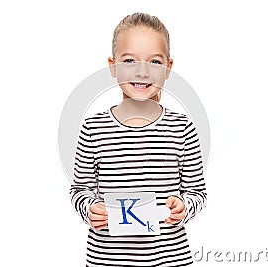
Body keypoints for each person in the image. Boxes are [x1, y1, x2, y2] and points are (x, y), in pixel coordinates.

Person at [70, 12, 207, 266]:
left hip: (169, 259)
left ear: (168, 68)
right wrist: (89, 209)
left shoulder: (182, 128)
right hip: (108, 259)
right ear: (112, 66)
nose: (142, 72)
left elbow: (197, 192)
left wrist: (184, 206)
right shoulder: (93, 128)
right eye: (130, 60)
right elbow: (80, 191)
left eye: (154, 62)